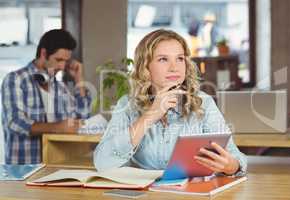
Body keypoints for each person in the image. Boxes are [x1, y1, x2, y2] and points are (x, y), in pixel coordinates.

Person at [93, 29, 247, 176]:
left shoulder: (203, 102)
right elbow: (102, 162)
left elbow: (236, 158)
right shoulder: (127, 105)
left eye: (180, 58)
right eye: (163, 59)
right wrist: (151, 115)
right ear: (145, 66)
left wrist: (230, 166)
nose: (174, 68)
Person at [1, 29, 91, 164]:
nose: (62, 66)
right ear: (43, 53)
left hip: (55, 168)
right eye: (58, 59)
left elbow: (83, 118)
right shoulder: (15, 79)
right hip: (24, 169)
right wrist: (58, 127)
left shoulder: (60, 88)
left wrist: (79, 79)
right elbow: (15, 122)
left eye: (66, 61)